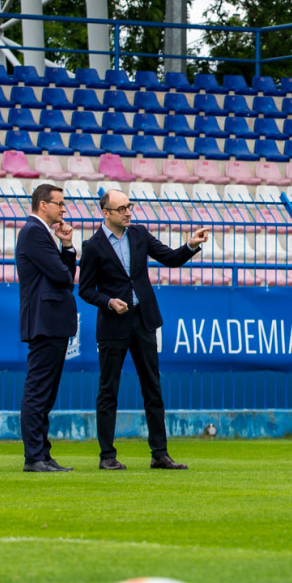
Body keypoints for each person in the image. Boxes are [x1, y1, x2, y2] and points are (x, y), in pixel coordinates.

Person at [77, 188, 209, 470]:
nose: (128, 212)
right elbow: (85, 290)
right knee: (108, 390)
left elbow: (170, 258)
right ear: (106, 213)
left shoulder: (139, 234)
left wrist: (191, 245)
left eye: (129, 206)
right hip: (113, 324)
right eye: (122, 208)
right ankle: (107, 456)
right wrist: (109, 302)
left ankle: (160, 454)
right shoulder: (92, 246)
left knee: (153, 388)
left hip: (144, 321)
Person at [16, 183, 78, 473]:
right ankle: (34, 456)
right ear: (43, 204)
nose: (63, 209)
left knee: (46, 391)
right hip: (44, 322)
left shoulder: (41, 234)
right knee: (39, 390)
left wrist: (66, 246)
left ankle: (42, 453)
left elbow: (64, 274)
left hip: (51, 322)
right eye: (59, 203)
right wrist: (64, 258)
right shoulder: (33, 233)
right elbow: (63, 276)